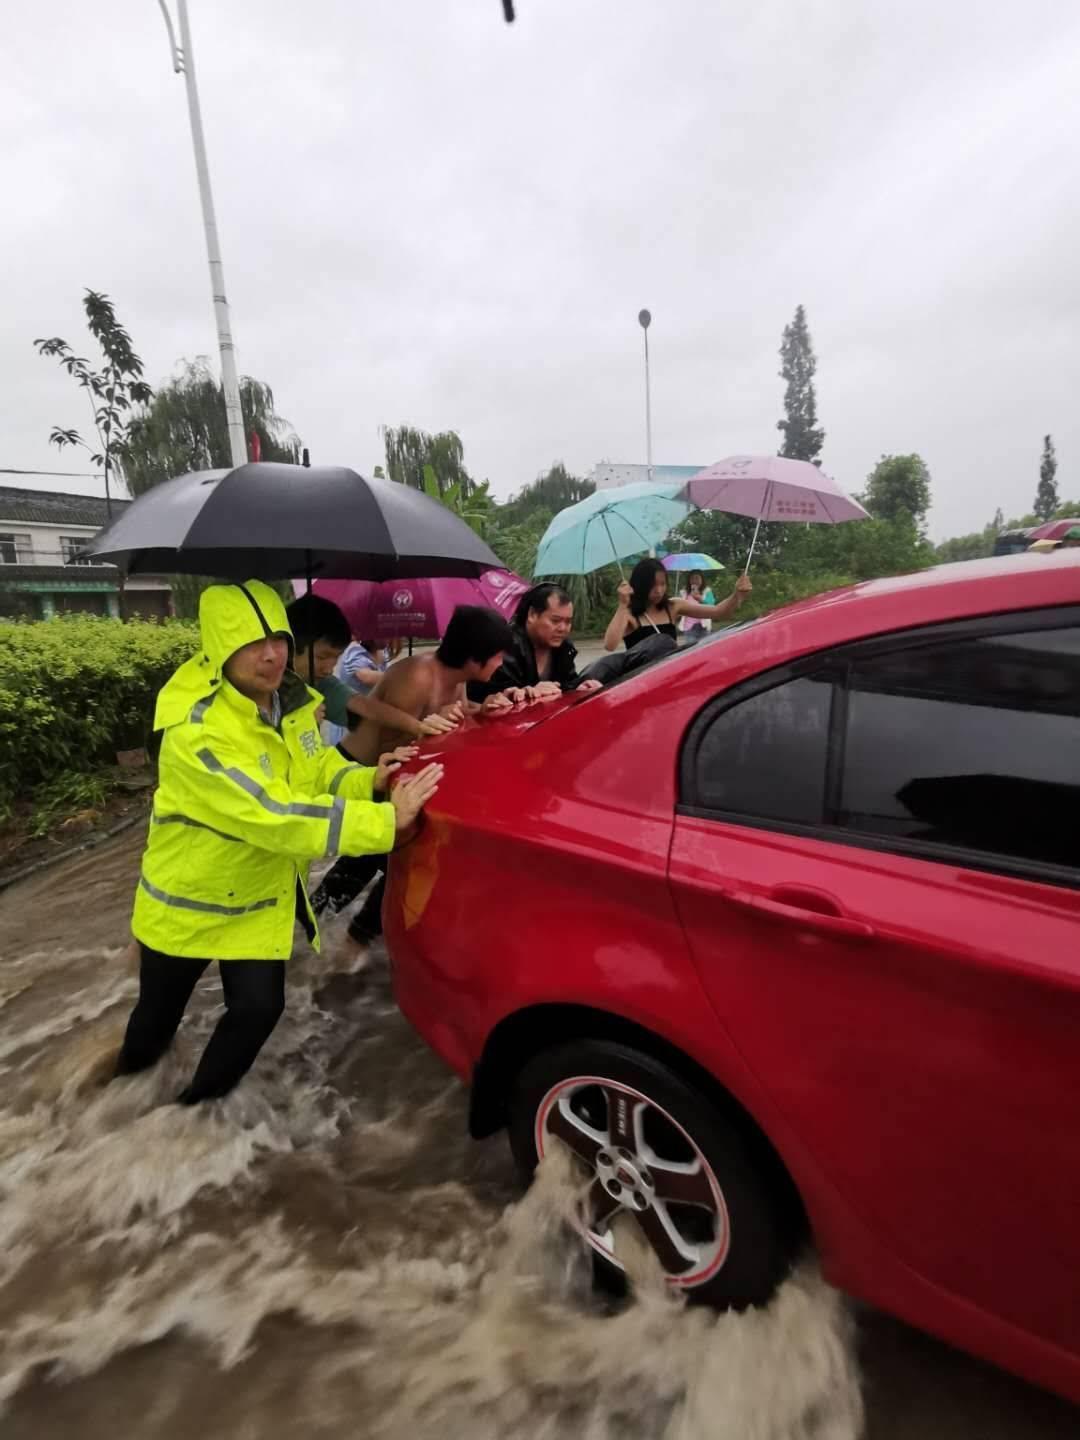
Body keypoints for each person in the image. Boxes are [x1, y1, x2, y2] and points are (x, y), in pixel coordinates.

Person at [114, 580, 442, 1104]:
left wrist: (369, 783)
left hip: (254, 900)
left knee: (259, 1009)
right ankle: (121, 1101)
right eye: (252, 642)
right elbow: (272, 814)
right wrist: (383, 824)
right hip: (188, 906)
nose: (271, 655)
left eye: (279, 640)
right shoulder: (197, 731)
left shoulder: (290, 704)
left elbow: (316, 773)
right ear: (221, 645)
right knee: (155, 1023)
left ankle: (190, 1114)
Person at [311, 604, 515, 966]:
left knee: (382, 856)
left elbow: (457, 716)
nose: (501, 665)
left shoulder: (457, 678)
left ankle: (331, 931)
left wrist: (482, 711)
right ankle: (327, 937)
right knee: (376, 856)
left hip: (389, 776)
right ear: (473, 657)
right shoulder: (417, 675)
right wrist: (433, 724)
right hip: (362, 770)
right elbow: (391, 749)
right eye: (497, 657)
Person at [286, 594, 457, 757]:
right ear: (289, 646)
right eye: (321, 657)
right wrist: (301, 725)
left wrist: (419, 727)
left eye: (335, 658)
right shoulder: (268, 691)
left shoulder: (320, 683)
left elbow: (368, 708)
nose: (329, 669)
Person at [466, 583, 603, 705]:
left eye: (568, 622)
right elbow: (492, 698)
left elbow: (567, 682)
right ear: (532, 615)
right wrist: (531, 693)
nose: (563, 628)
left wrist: (581, 685)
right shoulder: (503, 648)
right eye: (555, 620)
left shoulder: (564, 647)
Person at [603, 557, 752, 652]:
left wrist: (737, 595)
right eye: (653, 585)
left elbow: (719, 611)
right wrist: (622, 606)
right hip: (641, 683)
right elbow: (610, 645)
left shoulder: (673, 606)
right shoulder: (629, 614)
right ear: (641, 585)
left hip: (670, 680)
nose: (659, 591)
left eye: (662, 584)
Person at [680, 570, 716, 639]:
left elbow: (712, 606)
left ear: (702, 579)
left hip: (704, 626)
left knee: (704, 647)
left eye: (697, 578)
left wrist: (700, 599)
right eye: (692, 578)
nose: (694, 581)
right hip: (689, 627)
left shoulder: (707, 591)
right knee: (691, 648)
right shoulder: (684, 592)